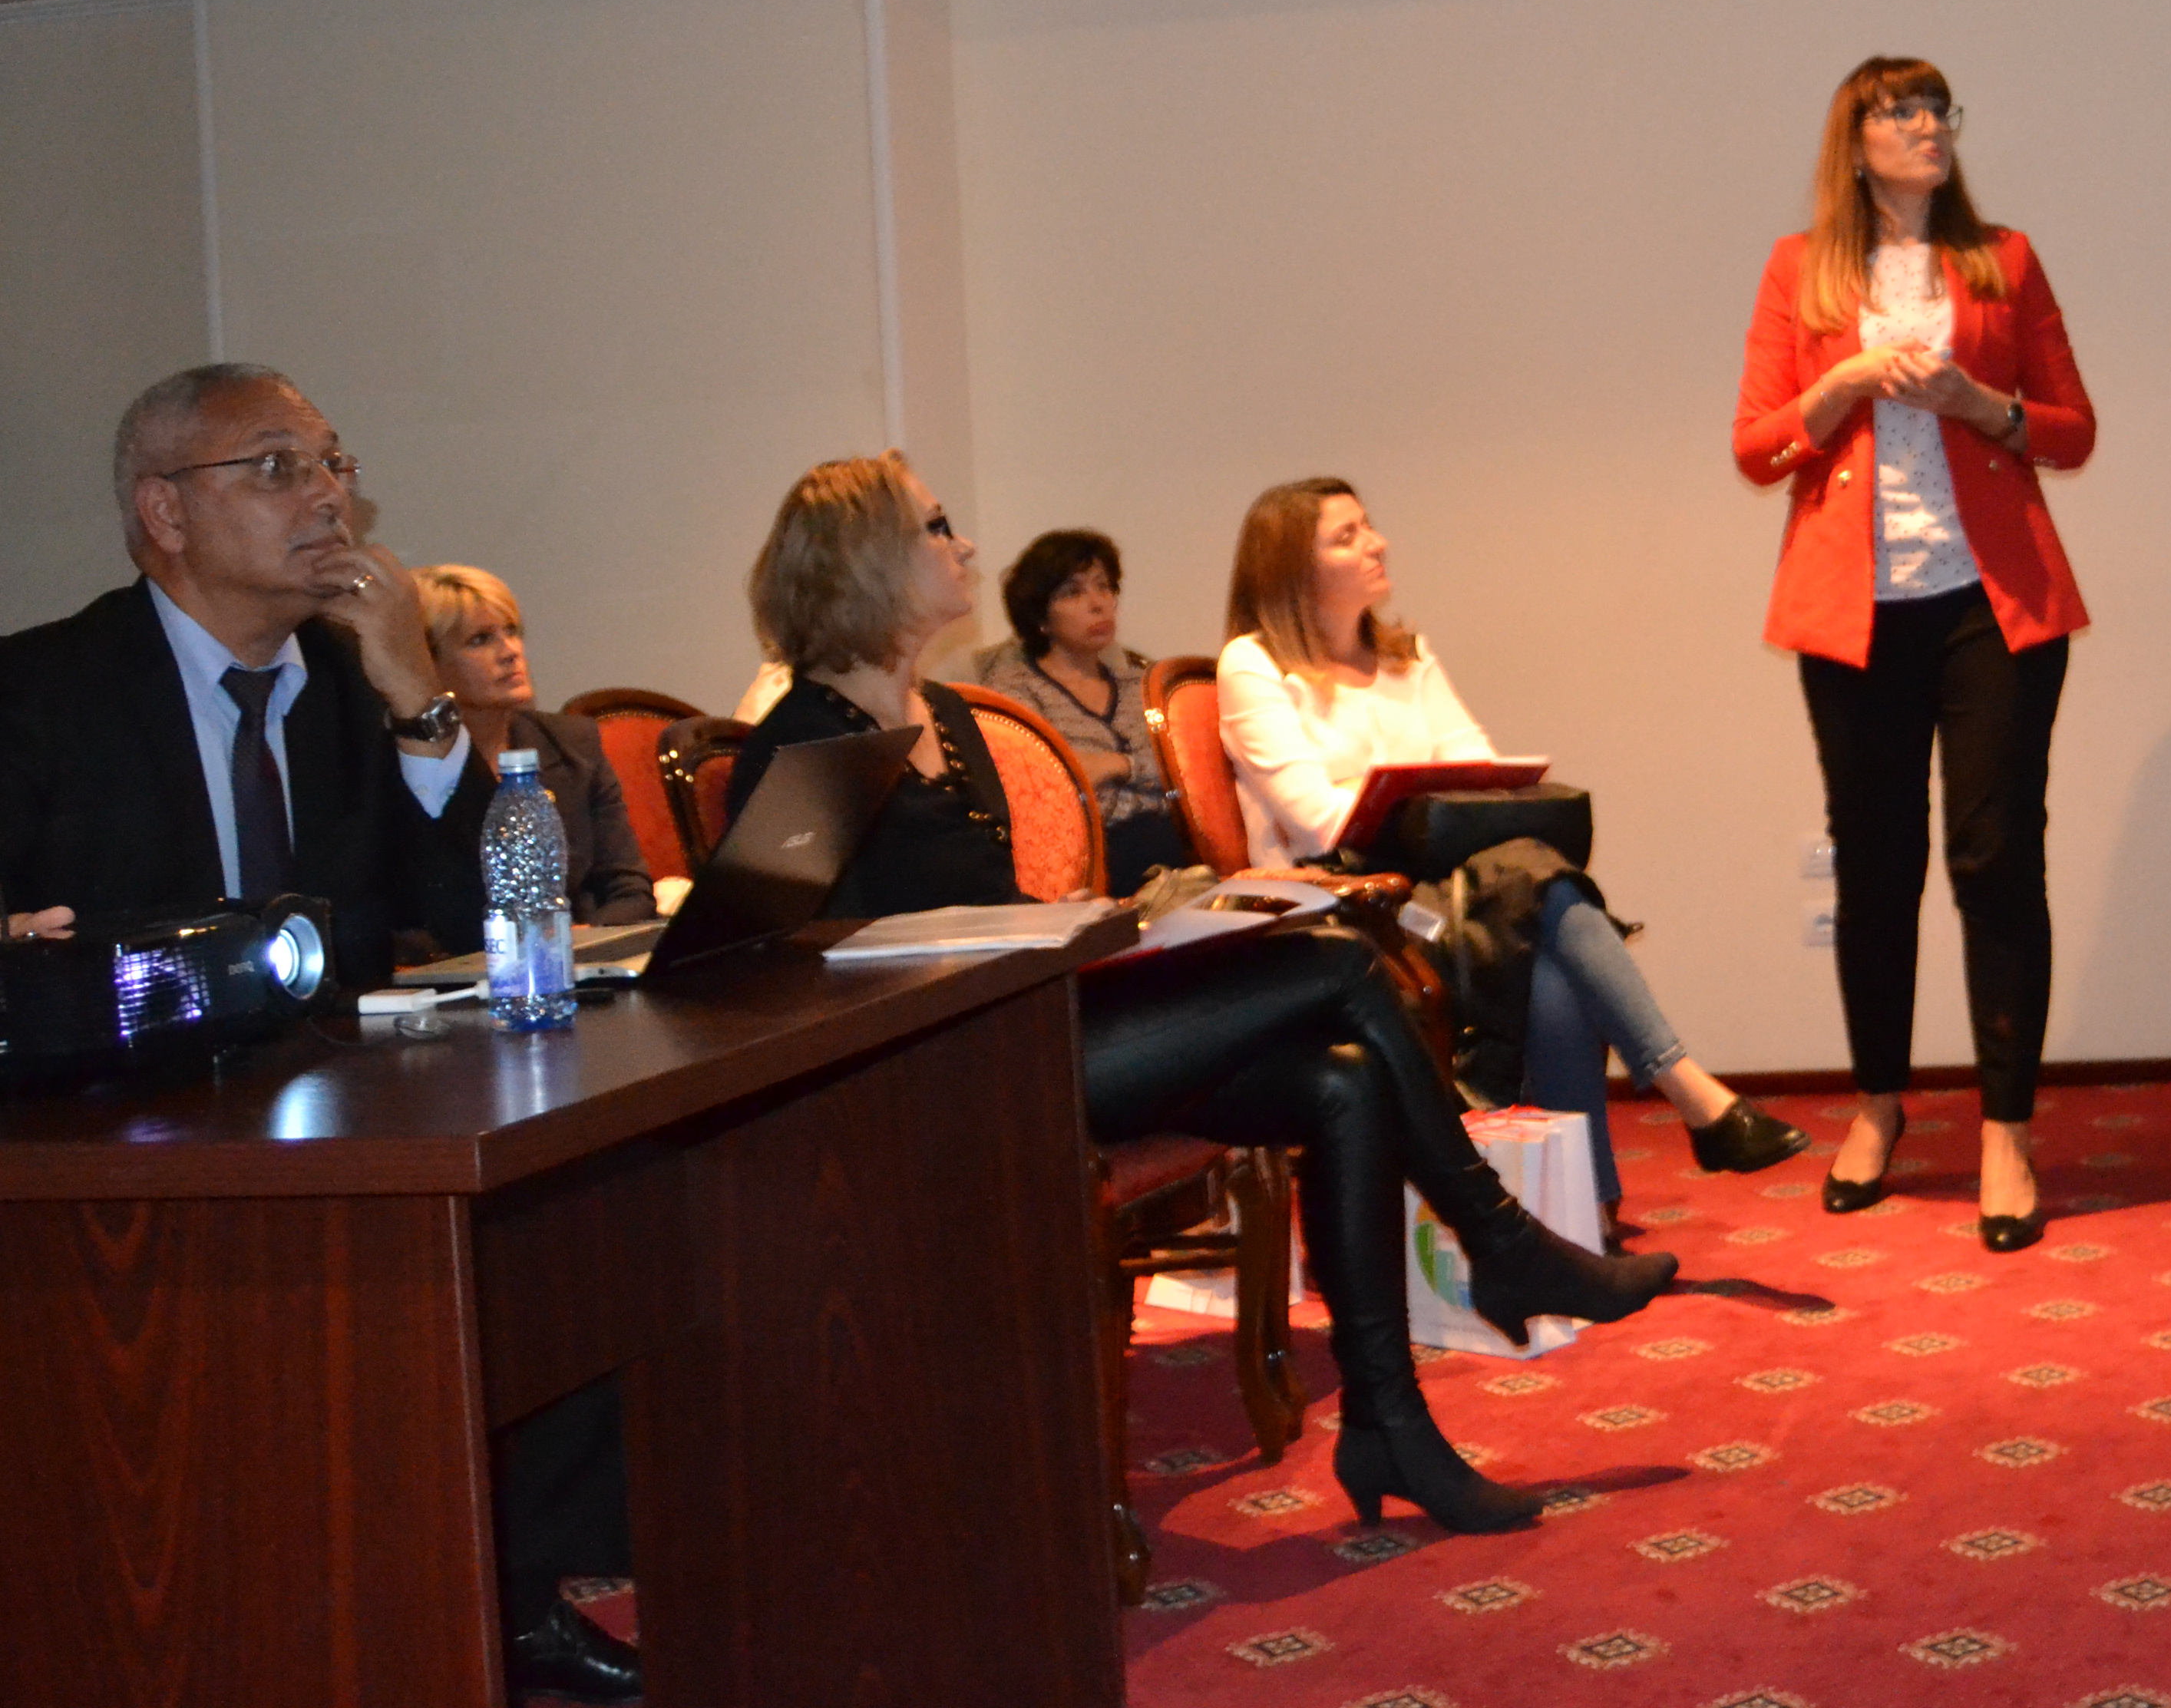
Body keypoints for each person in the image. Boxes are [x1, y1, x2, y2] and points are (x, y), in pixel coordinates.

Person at [727, 451, 1675, 1533]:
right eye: (936, 527)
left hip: (1041, 1019)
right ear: (863, 559)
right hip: (958, 1075)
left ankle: (1391, 1424)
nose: (966, 543)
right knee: (1342, 962)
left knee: (1344, 1076)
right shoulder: (803, 745)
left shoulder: (944, 716)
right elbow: (776, 967)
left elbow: (985, 912)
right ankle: (1502, 1247)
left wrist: (1100, 925)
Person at [0, 364, 641, 1706]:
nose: (330, 496)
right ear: (164, 512)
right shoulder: (41, 691)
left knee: (583, 1215)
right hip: (122, 1154)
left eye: (334, 463)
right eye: (277, 467)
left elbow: (482, 916)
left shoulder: (354, 686)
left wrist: (419, 697)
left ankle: (506, 1600)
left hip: (345, 1120)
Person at [1214, 477, 1811, 1234]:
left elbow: (1482, 774)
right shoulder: (1254, 665)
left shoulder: (1406, 656)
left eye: (1369, 525)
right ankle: (1665, 1119)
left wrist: (1407, 798)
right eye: (1348, 536)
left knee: (1544, 929)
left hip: (1442, 891)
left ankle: (1585, 1212)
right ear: (1291, 569)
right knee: (1541, 898)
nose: (1377, 543)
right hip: (1342, 905)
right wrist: (1420, 798)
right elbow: (1318, 826)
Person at [1733, 56, 2096, 1254]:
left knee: (1998, 862)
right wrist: (1842, 381)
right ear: (1857, 140)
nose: (1929, 126)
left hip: (1993, 605)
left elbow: (2073, 429)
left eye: (1940, 110)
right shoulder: (1800, 269)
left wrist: (1978, 403)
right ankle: (1879, 1107)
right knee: (1876, 869)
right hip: (1856, 612)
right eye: (1903, 111)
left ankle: (2006, 1130)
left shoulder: (2004, 260)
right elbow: (1755, 447)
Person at [415, 563, 659, 955]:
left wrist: (577, 943)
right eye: (480, 640)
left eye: (511, 632)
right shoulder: (410, 764)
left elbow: (629, 890)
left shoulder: (572, 744)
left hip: (579, 958)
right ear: (427, 664)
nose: (510, 651)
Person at [966, 528, 1190, 888]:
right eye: (1073, 593)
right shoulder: (1015, 693)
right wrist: (1148, 779)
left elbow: (1186, 772)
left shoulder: (1142, 685)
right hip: (1091, 861)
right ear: (1040, 618)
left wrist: (1118, 766)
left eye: (1104, 587)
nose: (1098, 603)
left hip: (1176, 844)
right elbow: (1046, 789)